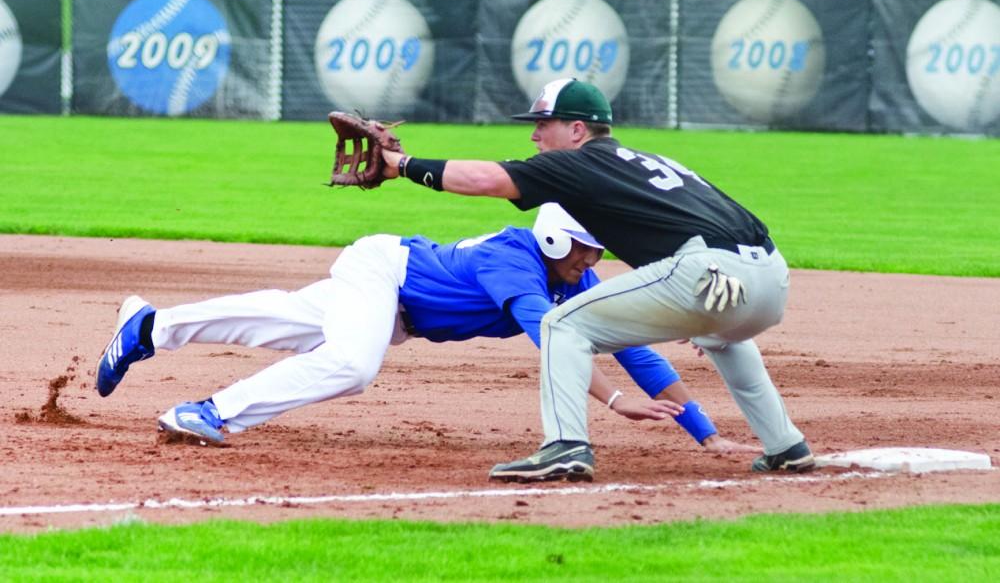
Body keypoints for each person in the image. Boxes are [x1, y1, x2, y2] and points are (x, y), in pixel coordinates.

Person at [380, 77, 815, 482]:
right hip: (769, 277)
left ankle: (566, 445)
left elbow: (483, 179)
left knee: (560, 324)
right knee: (726, 339)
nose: (534, 136)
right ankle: (785, 445)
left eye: (543, 124)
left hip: (707, 270)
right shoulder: (652, 160)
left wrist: (400, 164)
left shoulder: (579, 164)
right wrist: (698, 308)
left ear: (577, 130)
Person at [94, 203, 754, 458]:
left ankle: (151, 326)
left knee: (285, 323)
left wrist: (706, 432)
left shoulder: (572, 279)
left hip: (397, 306)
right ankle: (209, 412)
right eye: (585, 248)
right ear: (553, 237)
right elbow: (552, 336)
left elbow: (631, 347)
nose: (593, 260)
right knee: (352, 365)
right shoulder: (512, 259)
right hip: (385, 272)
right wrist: (610, 401)